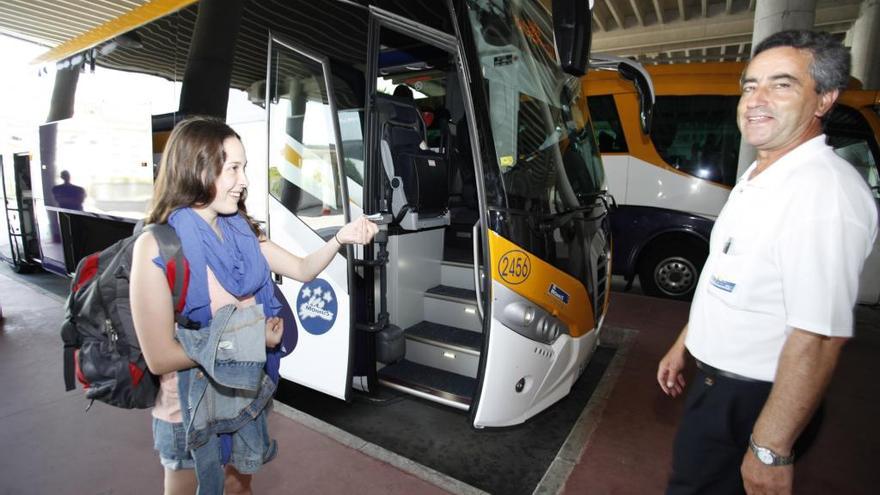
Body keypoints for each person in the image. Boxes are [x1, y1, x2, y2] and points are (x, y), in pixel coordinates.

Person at [656, 30, 877, 495]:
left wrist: (770, 449)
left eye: (782, 85)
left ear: (824, 99)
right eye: (750, 84)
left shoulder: (822, 192)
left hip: (753, 398)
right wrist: (685, 344)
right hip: (720, 385)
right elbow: (722, 276)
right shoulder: (761, 174)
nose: (756, 99)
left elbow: (819, 336)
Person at [130, 116, 378, 494]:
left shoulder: (242, 231)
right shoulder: (158, 246)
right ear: (198, 169)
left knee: (240, 490)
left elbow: (301, 268)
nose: (244, 180)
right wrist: (249, 340)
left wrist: (339, 239)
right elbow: (160, 357)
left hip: (245, 400)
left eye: (243, 167)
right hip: (187, 413)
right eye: (233, 168)